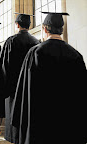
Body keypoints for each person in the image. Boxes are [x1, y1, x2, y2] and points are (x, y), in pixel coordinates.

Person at [11, 12, 87, 144]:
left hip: (40, 125)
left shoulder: (35, 53)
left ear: (44, 29)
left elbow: (24, 92)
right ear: (61, 30)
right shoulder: (76, 56)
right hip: (68, 126)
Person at [0, 13, 40, 144]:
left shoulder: (11, 41)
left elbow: (4, 68)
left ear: (17, 25)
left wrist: (0, 90)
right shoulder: (36, 42)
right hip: (31, 90)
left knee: (15, 124)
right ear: (29, 26)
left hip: (13, 90)